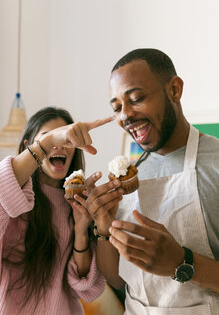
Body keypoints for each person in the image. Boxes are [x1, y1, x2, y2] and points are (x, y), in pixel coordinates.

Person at [76, 49, 219, 314]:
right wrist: (105, 228)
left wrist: (182, 262)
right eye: (117, 107)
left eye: (137, 98)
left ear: (174, 90)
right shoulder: (125, 178)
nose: (125, 115)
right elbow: (117, 279)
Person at [0, 106, 113, 314]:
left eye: (66, 139)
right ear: (29, 145)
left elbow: (85, 289)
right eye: (51, 137)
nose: (60, 144)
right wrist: (48, 142)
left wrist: (81, 229)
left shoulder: (80, 202)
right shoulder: (13, 198)